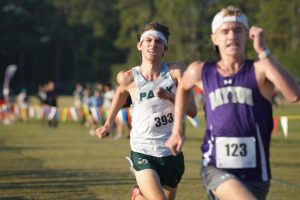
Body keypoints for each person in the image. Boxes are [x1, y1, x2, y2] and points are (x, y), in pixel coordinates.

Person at [166, 5, 300, 200]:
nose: (231, 36)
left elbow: (294, 95)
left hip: (257, 173)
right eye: (225, 31)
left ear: (247, 35)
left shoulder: (260, 68)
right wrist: (177, 129)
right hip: (215, 166)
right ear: (215, 38)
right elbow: (183, 88)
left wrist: (263, 51)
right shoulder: (201, 71)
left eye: (238, 30)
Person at [95, 22, 197, 200]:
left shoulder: (176, 72)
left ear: (165, 48)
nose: (152, 44)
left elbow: (193, 111)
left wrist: (170, 97)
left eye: (158, 41)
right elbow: (120, 94)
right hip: (143, 150)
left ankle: (138, 196)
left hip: (171, 152)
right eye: (148, 40)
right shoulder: (127, 77)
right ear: (139, 45)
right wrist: (107, 124)